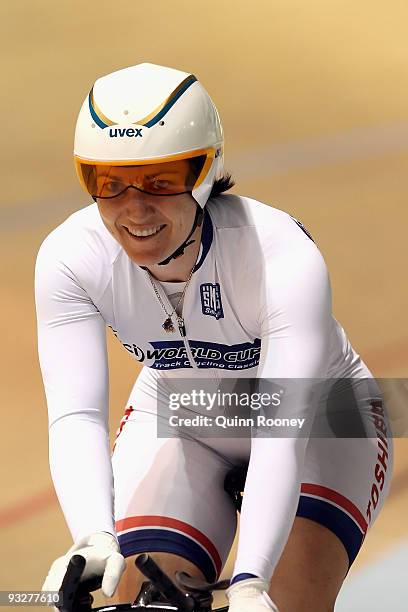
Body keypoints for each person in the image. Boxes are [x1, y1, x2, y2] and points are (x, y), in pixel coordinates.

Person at [37, 62, 393, 612]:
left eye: (160, 181)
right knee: (136, 601)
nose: (135, 210)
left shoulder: (279, 254)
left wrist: (250, 580)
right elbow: (77, 415)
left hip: (325, 422)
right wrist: (93, 534)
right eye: (108, 184)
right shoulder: (70, 258)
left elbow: (282, 426)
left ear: (204, 174)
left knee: (286, 601)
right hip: (184, 417)